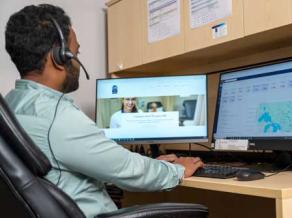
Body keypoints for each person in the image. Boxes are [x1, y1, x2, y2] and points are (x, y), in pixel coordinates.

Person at [4, 4, 203, 218]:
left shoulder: (11, 105)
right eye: (75, 52)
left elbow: (65, 167)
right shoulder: (57, 117)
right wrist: (178, 170)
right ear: (59, 56)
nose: (78, 62)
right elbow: (128, 169)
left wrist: (151, 164)